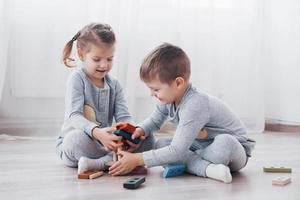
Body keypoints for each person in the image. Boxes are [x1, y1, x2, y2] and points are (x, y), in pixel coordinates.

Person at [109, 43, 256, 183]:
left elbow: (178, 149)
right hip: (198, 146)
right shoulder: (168, 99)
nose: (151, 94)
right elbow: (154, 121)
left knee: (224, 143)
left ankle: (194, 162)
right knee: (161, 144)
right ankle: (209, 169)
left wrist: (139, 159)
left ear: (178, 83)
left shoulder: (195, 103)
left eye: (156, 89)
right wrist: (139, 130)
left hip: (234, 152)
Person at [55, 23, 154, 174]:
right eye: (97, 59)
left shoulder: (114, 84)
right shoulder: (77, 79)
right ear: (81, 55)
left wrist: (131, 135)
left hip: (106, 142)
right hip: (85, 140)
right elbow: (74, 116)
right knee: (74, 141)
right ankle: (113, 161)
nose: (104, 65)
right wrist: (98, 133)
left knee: (148, 137)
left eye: (109, 59)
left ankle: (102, 162)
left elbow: (124, 116)